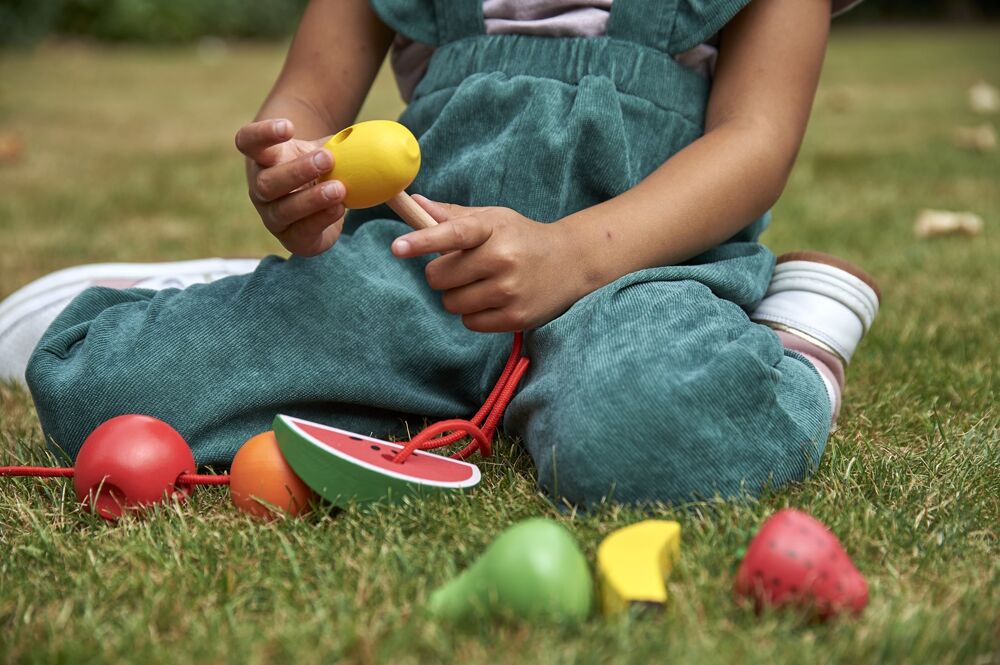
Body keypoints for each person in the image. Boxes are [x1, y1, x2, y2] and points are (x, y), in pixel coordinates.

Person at [0, 0, 880, 506]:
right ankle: (271, 307)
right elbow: (308, 99)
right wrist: (297, 174)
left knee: (648, 441)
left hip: (642, 270)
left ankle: (802, 338)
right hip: (420, 269)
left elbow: (758, 138)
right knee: (104, 395)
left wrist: (571, 255)